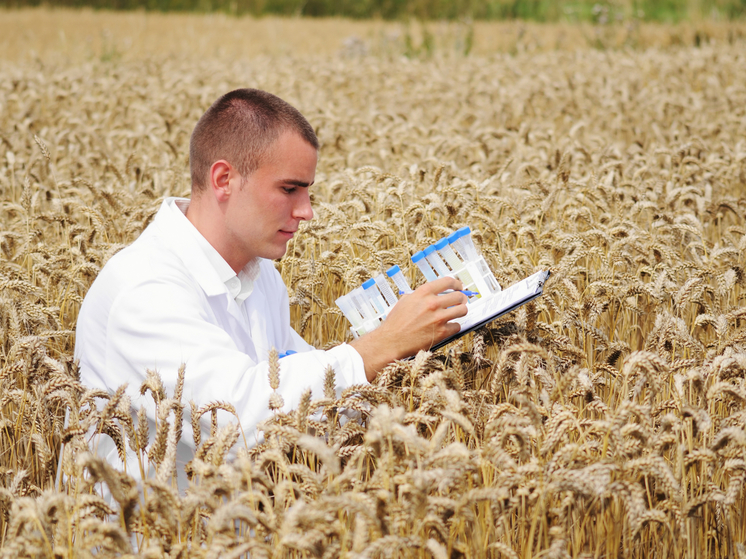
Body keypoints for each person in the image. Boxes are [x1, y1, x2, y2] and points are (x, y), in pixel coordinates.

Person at [74, 88, 467, 483]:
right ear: (224, 179)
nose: (307, 211)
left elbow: (304, 390)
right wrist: (383, 344)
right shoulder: (145, 289)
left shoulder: (259, 276)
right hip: (150, 538)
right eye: (289, 189)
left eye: (308, 190)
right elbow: (239, 420)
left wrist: (412, 353)